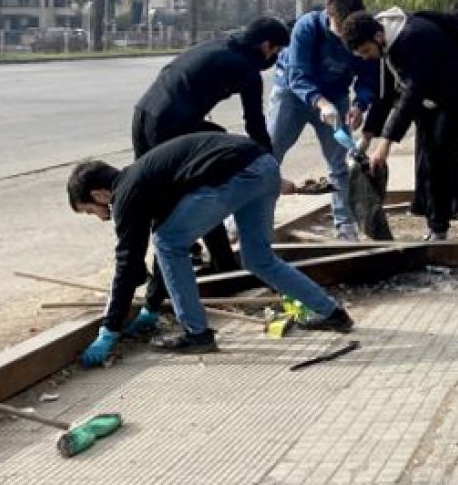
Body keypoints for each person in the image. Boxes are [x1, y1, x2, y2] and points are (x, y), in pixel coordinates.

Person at [69, 133, 354, 365]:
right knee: (258, 258)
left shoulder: (126, 195)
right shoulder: (147, 179)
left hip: (237, 174)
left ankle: (197, 334)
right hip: (263, 166)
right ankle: (332, 313)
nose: (99, 217)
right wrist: (152, 308)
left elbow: (128, 263)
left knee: (169, 243)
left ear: (99, 194)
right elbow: (161, 254)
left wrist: (109, 329)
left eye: (90, 210)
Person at [124, 16, 291, 335]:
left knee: (152, 196)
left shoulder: (221, 43)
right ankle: (156, 300)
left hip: (144, 113)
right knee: (176, 205)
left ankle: (219, 264)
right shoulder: (247, 69)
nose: (274, 59)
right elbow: (255, 124)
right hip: (170, 124)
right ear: (267, 46)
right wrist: (270, 169)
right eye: (277, 52)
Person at [342, 7, 458, 241]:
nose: (367, 56)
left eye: (366, 51)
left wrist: (386, 144)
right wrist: (367, 137)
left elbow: (412, 91)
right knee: (425, 156)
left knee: (440, 155)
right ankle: (430, 214)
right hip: (432, 96)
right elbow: (387, 94)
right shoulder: (387, 44)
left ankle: (439, 227)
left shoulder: (412, 37)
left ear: (378, 37)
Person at [267, 0, 379, 241]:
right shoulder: (307, 28)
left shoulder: (359, 30)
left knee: (340, 163)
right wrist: (320, 103)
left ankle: (345, 226)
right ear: (329, 12)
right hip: (292, 95)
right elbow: (297, 75)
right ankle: (243, 222)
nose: (344, 35)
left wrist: (359, 106)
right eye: (340, 26)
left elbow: (368, 76)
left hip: (336, 96)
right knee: (267, 156)